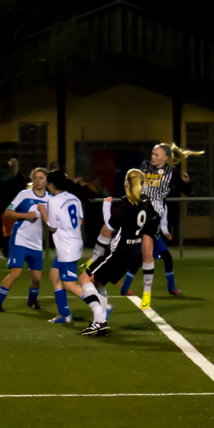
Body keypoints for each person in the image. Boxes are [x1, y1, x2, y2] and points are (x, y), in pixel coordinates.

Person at [88, 142, 202, 309]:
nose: (153, 156)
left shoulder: (172, 173)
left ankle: (146, 292)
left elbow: (189, 191)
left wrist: (185, 182)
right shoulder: (145, 166)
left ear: (166, 158)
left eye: (156, 154)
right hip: (138, 209)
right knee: (109, 231)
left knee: (147, 251)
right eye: (152, 154)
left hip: (153, 215)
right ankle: (95, 260)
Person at [78, 169, 159, 336]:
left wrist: (106, 207)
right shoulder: (145, 200)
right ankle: (100, 322)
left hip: (118, 253)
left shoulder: (126, 203)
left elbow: (110, 226)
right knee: (99, 282)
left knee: (84, 278)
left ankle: (99, 319)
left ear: (127, 183)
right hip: (133, 253)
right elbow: (153, 217)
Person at [0, 167, 50, 312]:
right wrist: (25, 216)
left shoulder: (50, 199)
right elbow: (8, 212)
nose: (37, 181)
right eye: (35, 178)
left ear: (46, 180)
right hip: (20, 240)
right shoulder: (24, 194)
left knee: (37, 278)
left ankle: (32, 301)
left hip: (36, 243)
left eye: (41, 178)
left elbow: (50, 221)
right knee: (15, 273)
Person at [36, 170, 84, 324]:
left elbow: (52, 227)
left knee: (69, 284)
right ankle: (64, 314)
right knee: (54, 277)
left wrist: (43, 211)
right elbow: (80, 221)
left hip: (66, 248)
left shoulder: (54, 201)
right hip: (73, 243)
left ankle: (100, 306)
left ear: (50, 184)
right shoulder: (74, 198)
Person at [118, 204, 181, 296]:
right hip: (145, 236)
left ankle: (171, 288)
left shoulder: (164, 205)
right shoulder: (146, 203)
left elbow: (163, 223)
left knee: (168, 258)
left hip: (156, 237)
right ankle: (124, 289)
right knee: (137, 262)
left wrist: (166, 232)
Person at [0, 158, 29, 257]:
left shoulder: (16, 180)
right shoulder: (14, 180)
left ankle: (13, 251)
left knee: (15, 231)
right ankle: (8, 251)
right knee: (8, 232)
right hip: (9, 210)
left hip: (14, 210)